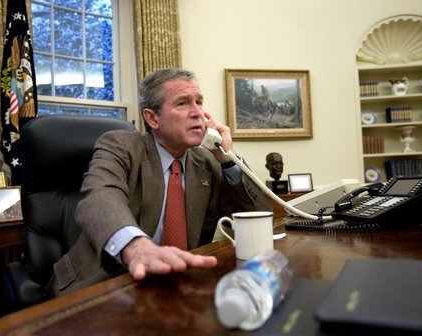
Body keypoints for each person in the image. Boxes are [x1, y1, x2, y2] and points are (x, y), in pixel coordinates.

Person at [45, 68, 272, 297]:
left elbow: (261, 217)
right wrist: (137, 248)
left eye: (199, 102)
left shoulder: (208, 161)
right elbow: (100, 198)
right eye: (183, 103)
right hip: (101, 284)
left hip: (176, 289)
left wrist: (227, 158)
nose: (198, 114)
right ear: (152, 118)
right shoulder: (120, 146)